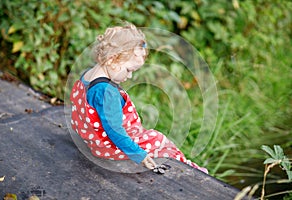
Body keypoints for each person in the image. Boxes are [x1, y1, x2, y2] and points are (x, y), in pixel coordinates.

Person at [70, 23, 208, 174]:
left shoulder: (87, 76)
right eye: (129, 70)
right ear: (112, 59)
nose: (129, 76)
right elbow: (114, 130)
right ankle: (191, 170)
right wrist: (138, 154)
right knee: (158, 139)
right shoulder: (106, 91)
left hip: (93, 141)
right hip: (109, 146)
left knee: (149, 137)